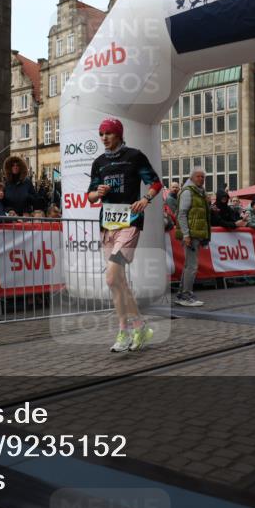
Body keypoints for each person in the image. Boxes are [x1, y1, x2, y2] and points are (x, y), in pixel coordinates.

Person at [86, 118, 162, 353]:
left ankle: (129, 330)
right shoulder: (99, 163)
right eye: (101, 134)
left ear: (118, 134)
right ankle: (133, 329)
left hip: (130, 222)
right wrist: (97, 193)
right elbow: (89, 197)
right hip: (108, 225)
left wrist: (145, 199)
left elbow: (156, 183)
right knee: (118, 282)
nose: (104, 137)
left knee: (111, 277)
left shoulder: (134, 156)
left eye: (108, 133)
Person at [175, 167, 209, 307]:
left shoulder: (199, 192)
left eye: (203, 177)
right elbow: (182, 214)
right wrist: (186, 234)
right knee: (192, 266)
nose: (201, 179)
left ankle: (183, 294)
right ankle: (186, 295)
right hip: (191, 234)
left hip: (195, 233)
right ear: (192, 178)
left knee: (189, 265)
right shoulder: (188, 192)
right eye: (199, 176)